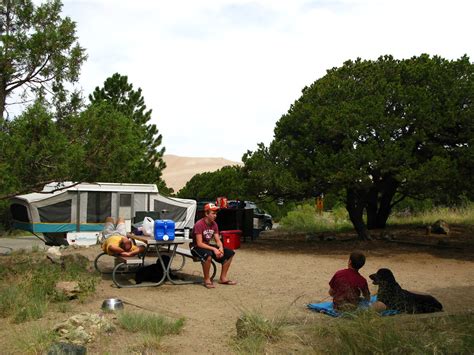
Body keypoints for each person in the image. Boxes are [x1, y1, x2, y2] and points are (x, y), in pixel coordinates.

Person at [191, 203, 237, 289]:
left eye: (216, 213)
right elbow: (199, 243)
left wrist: (220, 248)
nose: (215, 215)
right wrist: (214, 249)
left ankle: (223, 278)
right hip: (195, 247)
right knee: (208, 255)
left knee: (230, 253)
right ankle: (207, 280)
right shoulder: (199, 224)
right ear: (206, 214)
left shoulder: (214, 224)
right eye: (213, 213)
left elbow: (218, 240)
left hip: (207, 246)